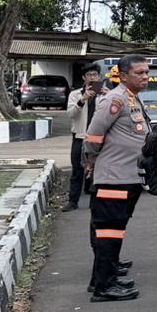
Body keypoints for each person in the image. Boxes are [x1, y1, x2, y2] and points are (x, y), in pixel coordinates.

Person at [82, 54, 151, 302]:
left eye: (146, 72)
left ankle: (102, 279)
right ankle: (105, 287)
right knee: (109, 233)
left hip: (128, 177)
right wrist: (91, 163)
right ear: (122, 76)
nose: (145, 77)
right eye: (139, 73)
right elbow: (93, 136)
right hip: (114, 177)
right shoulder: (115, 99)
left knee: (114, 232)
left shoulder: (132, 98)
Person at [66, 64, 102, 211]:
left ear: (99, 77)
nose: (92, 78)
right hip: (80, 137)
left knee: (97, 171)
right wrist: (82, 99)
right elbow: (71, 114)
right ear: (84, 77)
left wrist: (108, 96)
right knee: (77, 170)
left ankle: (95, 203)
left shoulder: (105, 95)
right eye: (89, 75)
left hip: (98, 139)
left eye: (95, 75)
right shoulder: (75, 94)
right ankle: (73, 202)